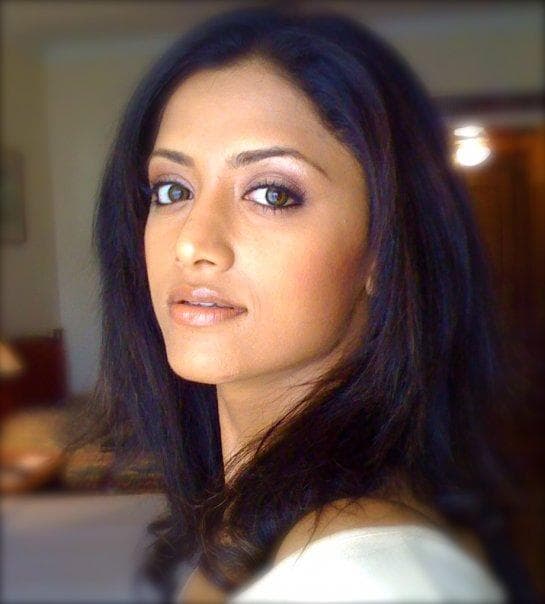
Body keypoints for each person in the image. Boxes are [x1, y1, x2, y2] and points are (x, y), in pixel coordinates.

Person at [90, 4, 535, 602]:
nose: (193, 243)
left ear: (382, 249)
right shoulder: (251, 516)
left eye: (272, 194)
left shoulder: (370, 581)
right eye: (172, 189)